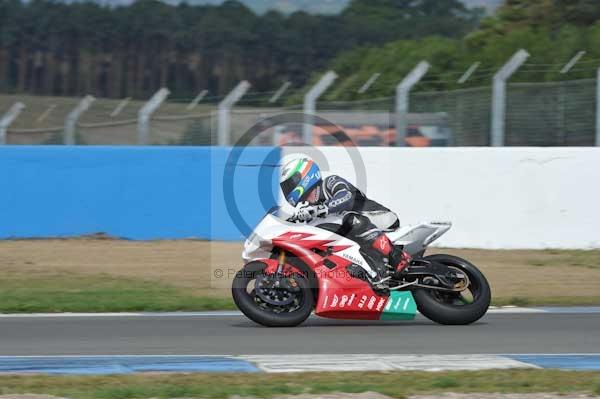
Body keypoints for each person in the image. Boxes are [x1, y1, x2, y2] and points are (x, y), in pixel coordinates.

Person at [279, 155, 411, 291]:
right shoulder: (309, 209)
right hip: (361, 232)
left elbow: (346, 197)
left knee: (349, 219)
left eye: (289, 184)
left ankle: (397, 256)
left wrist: (321, 209)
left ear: (304, 177)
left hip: (379, 217)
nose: (288, 189)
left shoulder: (330, 182)